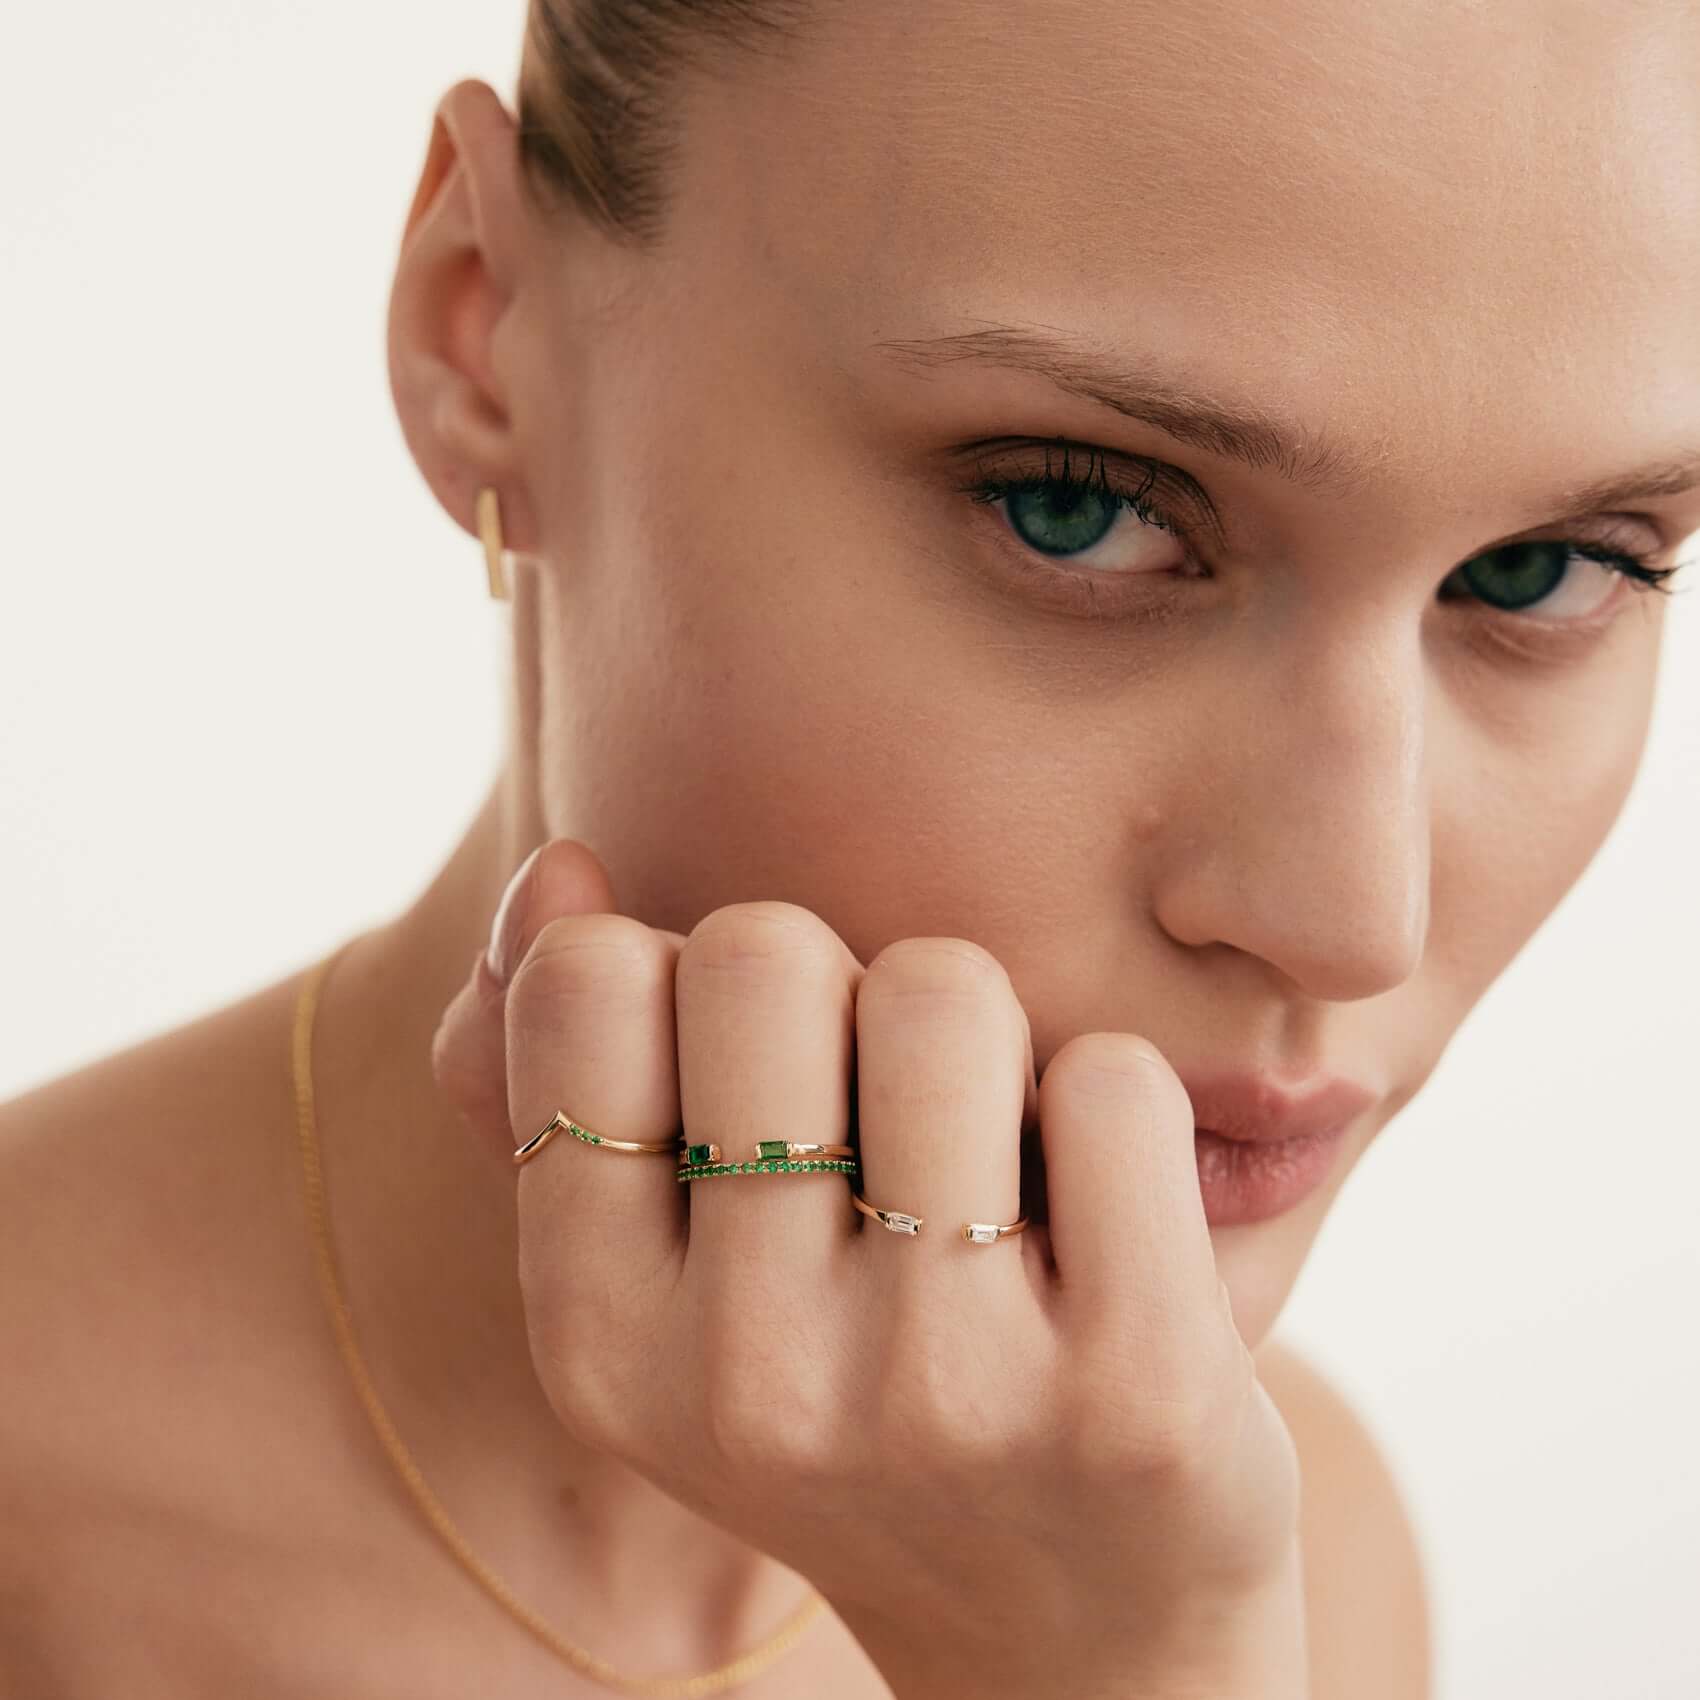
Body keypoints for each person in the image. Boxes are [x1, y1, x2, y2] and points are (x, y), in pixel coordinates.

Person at [3, 0, 1695, 1692]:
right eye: (1079, 507)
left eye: (1552, 568)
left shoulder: (1266, 1549)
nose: (1354, 920)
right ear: (487, 334)